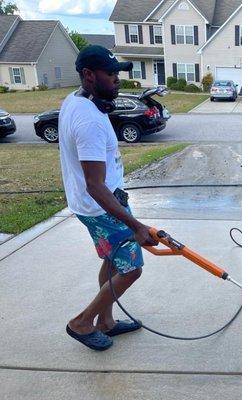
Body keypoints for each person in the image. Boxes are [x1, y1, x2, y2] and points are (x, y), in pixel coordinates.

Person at [59, 45, 157, 351]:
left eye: (118, 73)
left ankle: (106, 322)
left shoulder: (76, 100)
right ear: (89, 75)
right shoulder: (87, 120)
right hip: (102, 208)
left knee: (113, 262)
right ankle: (82, 322)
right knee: (130, 269)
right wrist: (136, 225)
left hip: (100, 204)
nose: (117, 80)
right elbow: (95, 185)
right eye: (111, 74)